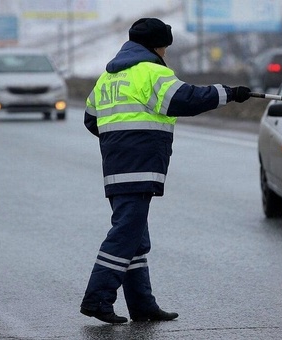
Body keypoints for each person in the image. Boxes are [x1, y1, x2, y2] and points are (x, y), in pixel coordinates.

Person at [80, 17, 251, 324]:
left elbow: (91, 119)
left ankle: (143, 306)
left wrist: (117, 141)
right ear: (158, 47)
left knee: (135, 237)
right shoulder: (152, 71)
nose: (166, 53)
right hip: (141, 164)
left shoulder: (108, 76)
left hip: (117, 165)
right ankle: (97, 298)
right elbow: (184, 99)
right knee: (125, 234)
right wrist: (229, 92)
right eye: (165, 47)